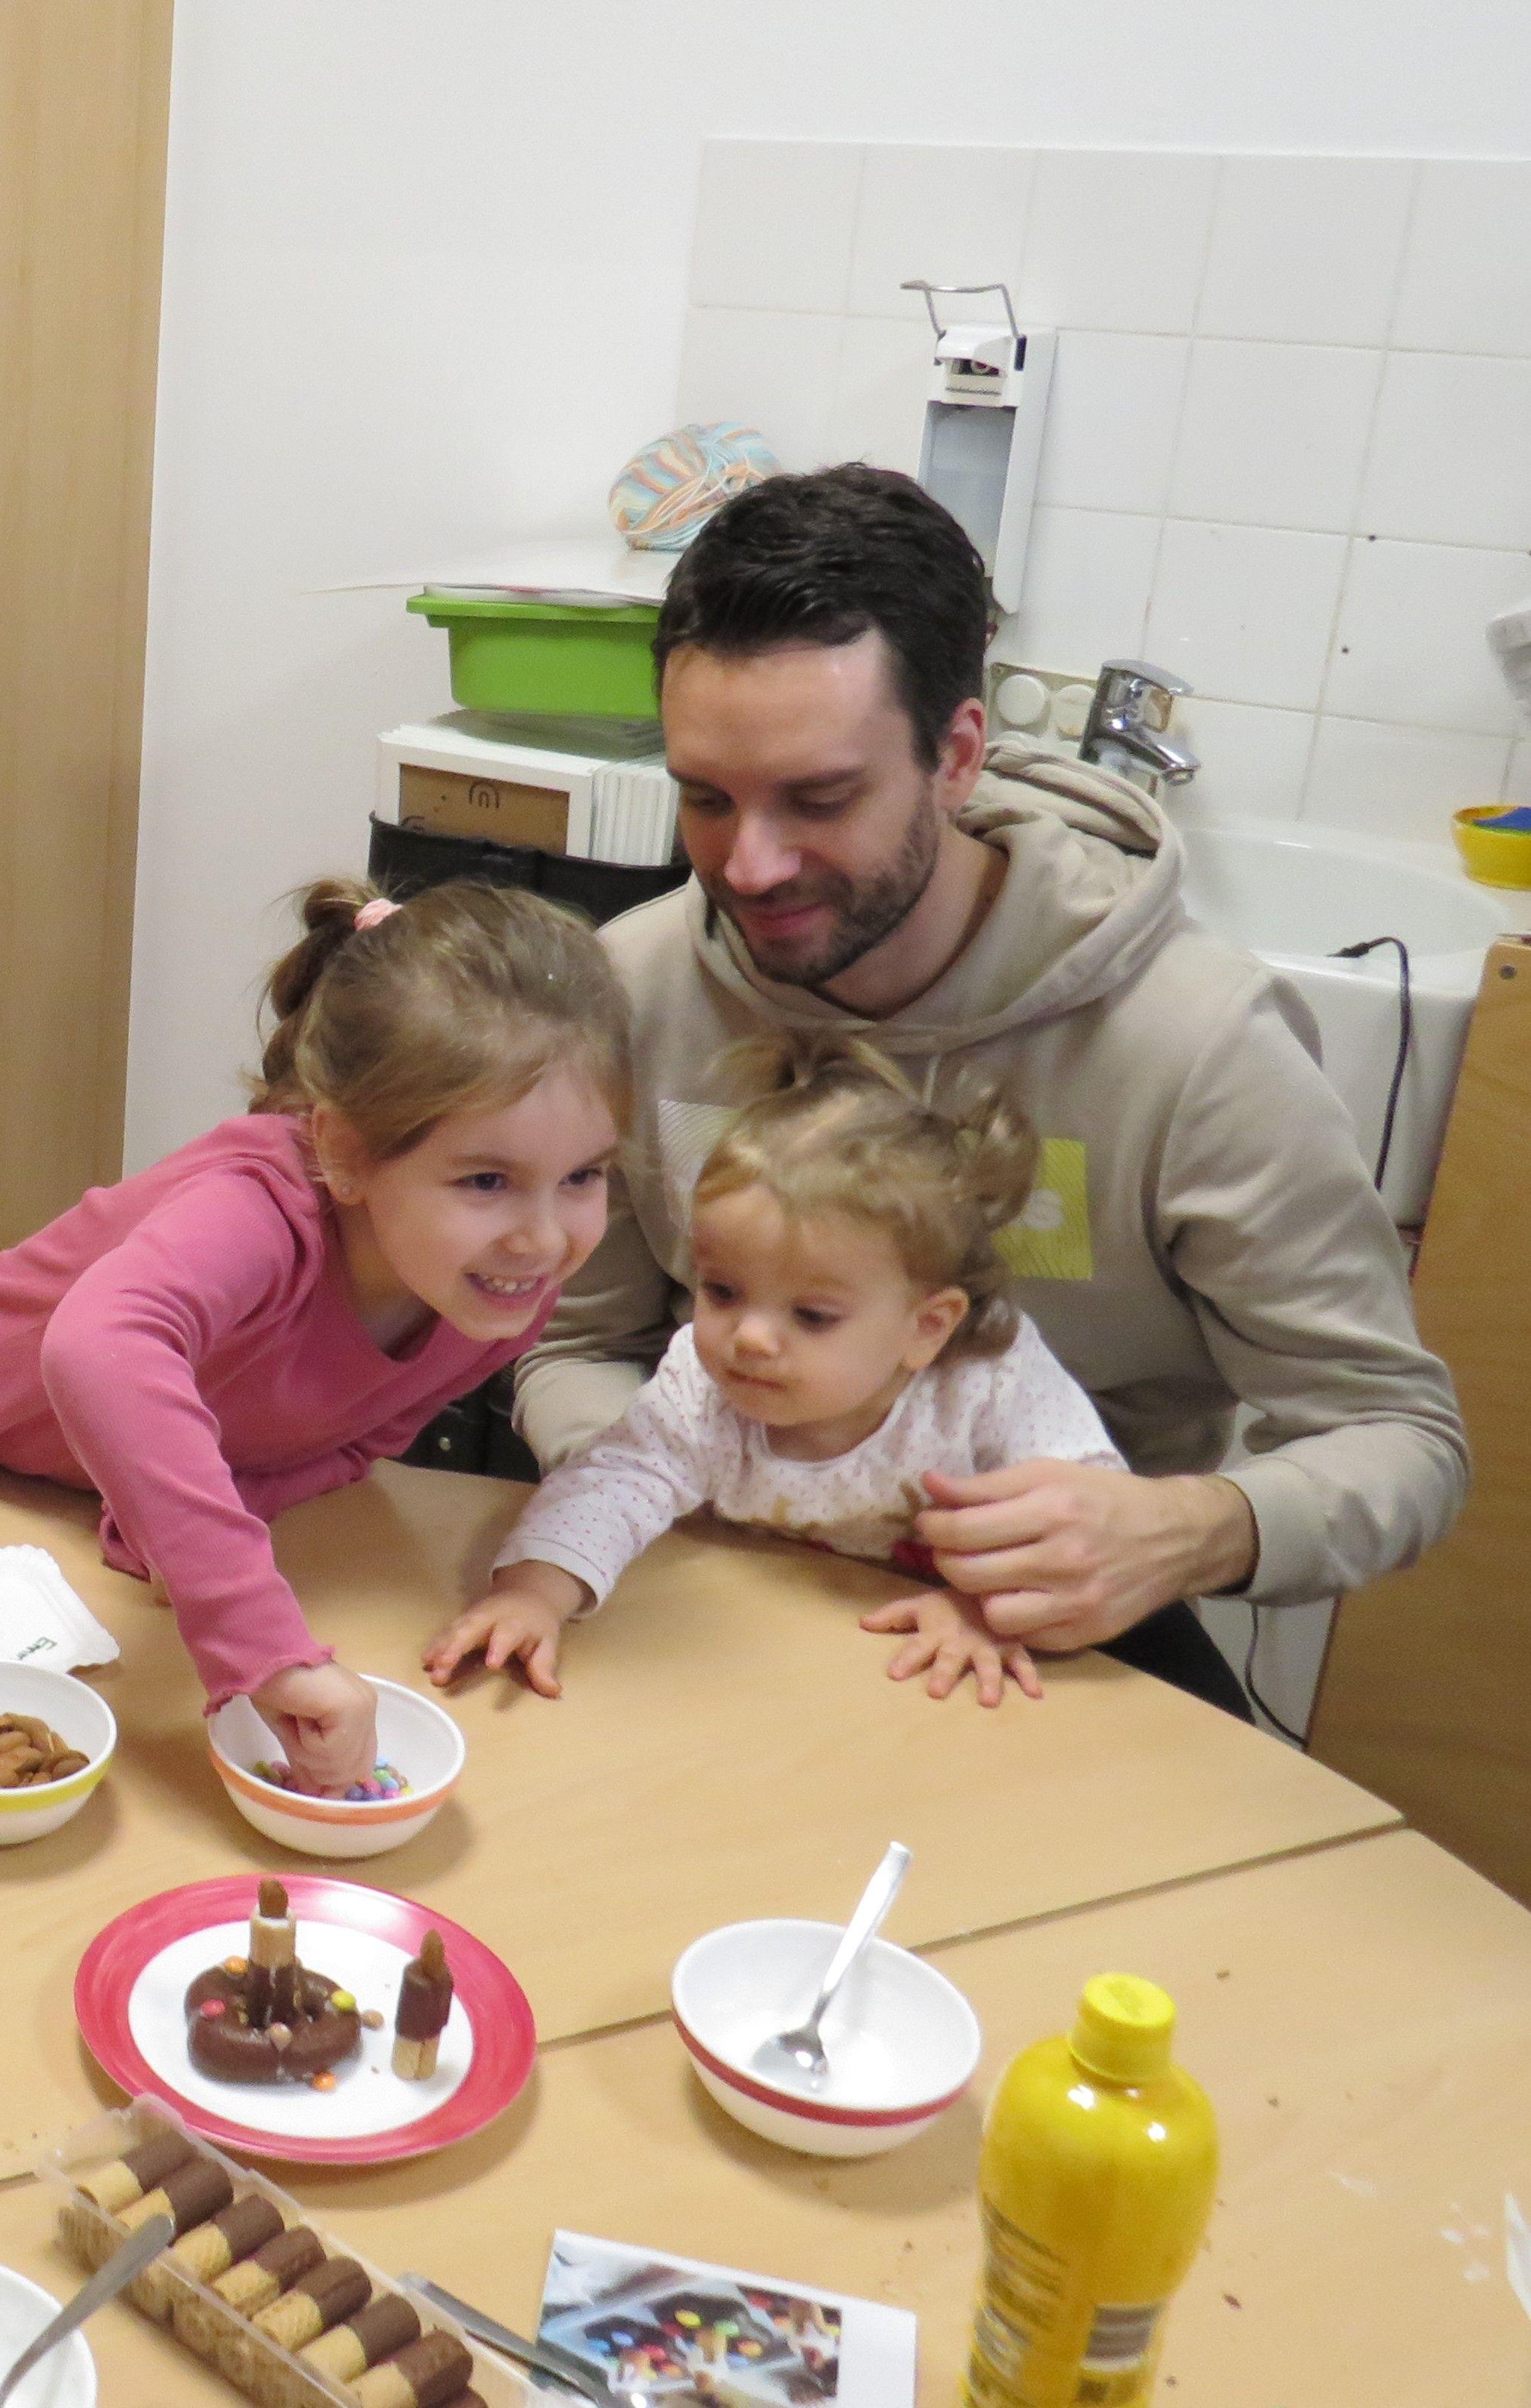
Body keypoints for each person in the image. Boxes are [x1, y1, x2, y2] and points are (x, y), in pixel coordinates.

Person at [510, 466, 1467, 1715]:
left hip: (1037, 1641)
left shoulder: (1192, 1044)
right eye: (705, 798)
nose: (746, 866)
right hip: (708, 1586)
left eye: (819, 798)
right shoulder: (636, 989)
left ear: (955, 755)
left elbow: (1399, 1438)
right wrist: (654, 1485)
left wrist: (1194, 1529)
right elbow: (576, 1344)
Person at [0, 882, 629, 1788]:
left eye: (583, 1177)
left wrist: (193, 1520)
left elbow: (355, 1441)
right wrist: (263, 1647)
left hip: (71, 1519)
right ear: (344, 1152)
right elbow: (98, 1349)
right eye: (486, 1181)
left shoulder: (496, 1292)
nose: (544, 1238)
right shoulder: (259, 1209)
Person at [427, 1039, 1124, 1708]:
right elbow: (613, 1483)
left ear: (926, 1326)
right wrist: (533, 1594)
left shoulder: (987, 1380)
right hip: (755, 1658)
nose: (751, 1338)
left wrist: (984, 1607)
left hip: (922, 1676)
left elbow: (1086, 1520)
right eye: (723, 1291)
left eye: (812, 1315)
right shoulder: (705, 1388)